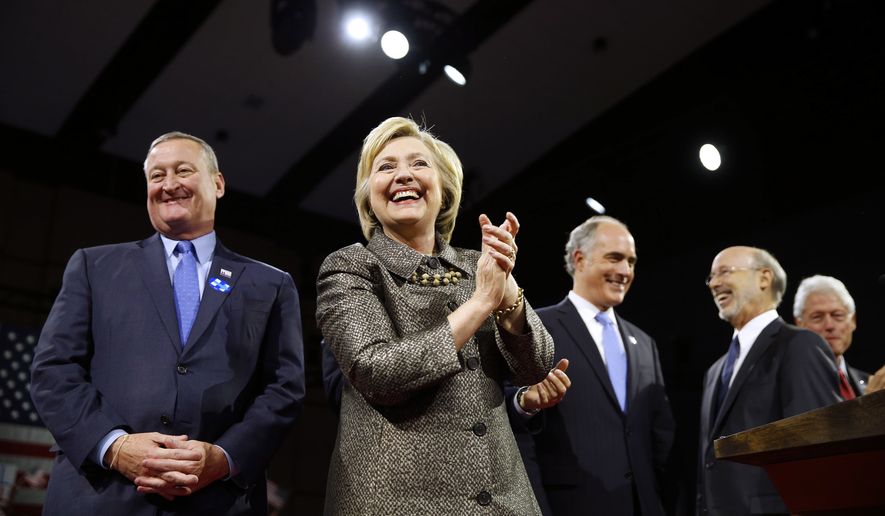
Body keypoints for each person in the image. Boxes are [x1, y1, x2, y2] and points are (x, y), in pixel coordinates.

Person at [30, 132, 305, 515]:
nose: (169, 184)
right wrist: (115, 446)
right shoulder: (94, 267)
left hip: (218, 501)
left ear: (218, 183)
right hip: (100, 497)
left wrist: (224, 457)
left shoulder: (271, 284)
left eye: (183, 171)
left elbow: (284, 388)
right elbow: (53, 371)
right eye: (156, 176)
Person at [316, 116, 554, 514]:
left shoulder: (477, 265)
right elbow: (377, 372)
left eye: (419, 164)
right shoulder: (350, 266)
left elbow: (536, 367)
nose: (403, 175)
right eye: (386, 167)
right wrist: (479, 304)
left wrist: (507, 287)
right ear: (369, 196)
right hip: (393, 502)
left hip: (504, 501)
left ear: (444, 190)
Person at [514, 216, 675, 516]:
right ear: (580, 259)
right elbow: (516, 429)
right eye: (614, 258)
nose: (625, 271)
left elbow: (659, 437)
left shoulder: (645, 343)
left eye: (631, 261)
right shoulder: (535, 327)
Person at [697, 246, 841, 515]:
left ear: (764, 278)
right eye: (711, 277)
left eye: (724, 272)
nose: (715, 283)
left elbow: (818, 451)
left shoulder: (800, 346)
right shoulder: (715, 371)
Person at [793, 275, 885, 397]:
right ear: (799, 324)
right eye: (817, 317)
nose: (829, 325)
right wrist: (870, 405)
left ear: (853, 320)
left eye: (837, 315)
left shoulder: (869, 383)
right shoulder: (788, 385)